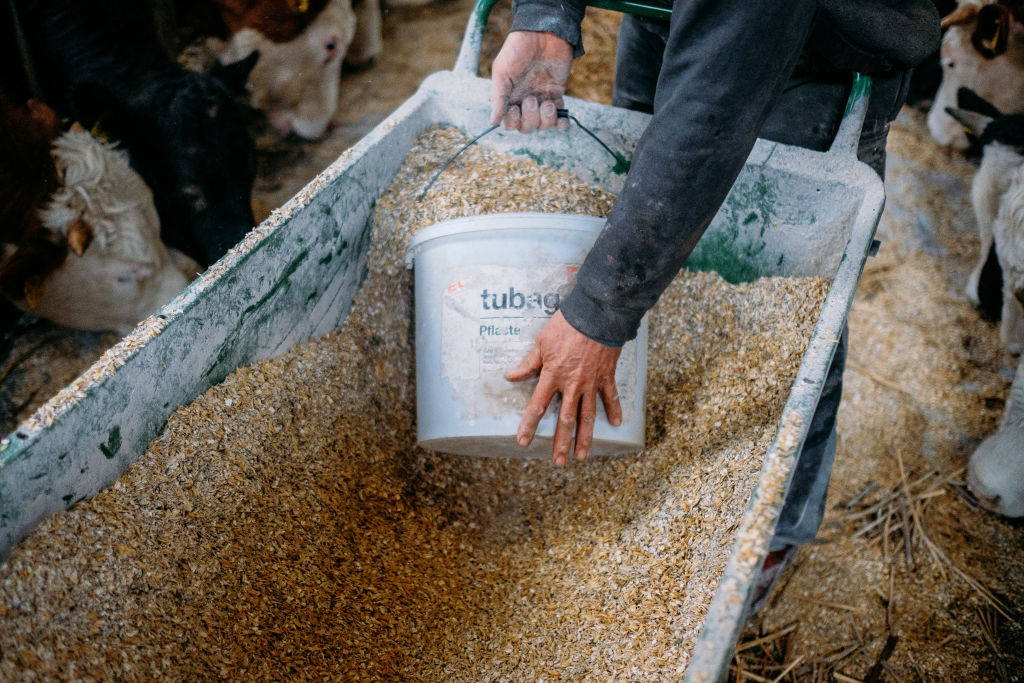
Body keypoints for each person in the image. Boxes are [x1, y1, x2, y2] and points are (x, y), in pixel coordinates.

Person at [489, 0, 940, 612]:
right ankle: (630, 461)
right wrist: (547, 18)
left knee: (786, 304)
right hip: (669, 13)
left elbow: (712, 110)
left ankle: (770, 527)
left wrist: (598, 308)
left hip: (820, 49)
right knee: (650, 211)